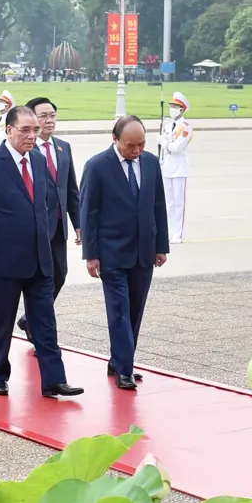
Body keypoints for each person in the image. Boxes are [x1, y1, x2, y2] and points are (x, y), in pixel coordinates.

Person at [0, 104, 82, 400]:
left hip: (40, 259)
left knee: (45, 322)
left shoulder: (41, 162)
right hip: (4, 260)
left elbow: (43, 208)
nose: (33, 135)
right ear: (9, 131)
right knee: (1, 320)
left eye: (35, 130)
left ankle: (54, 380)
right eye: (26, 130)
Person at [80, 116, 169, 390]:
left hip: (143, 251)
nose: (137, 151)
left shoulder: (151, 163)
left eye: (141, 144)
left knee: (134, 310)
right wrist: (91, 254)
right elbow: (88, 212)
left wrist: (161, 246)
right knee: (118, 310)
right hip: (112, 253)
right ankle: (125, 369)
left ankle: (120, 359)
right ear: (115, 139)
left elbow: (158, 205)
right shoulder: (97, 166)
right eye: (131, 145)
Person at [27, 97, 80, 307]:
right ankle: (37, 321)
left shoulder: (63, 147)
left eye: (52, 115)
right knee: (39, 277)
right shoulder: (27, 148)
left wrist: (78, 223)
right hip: (36, 225)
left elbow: (70, 189)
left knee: (60, 273)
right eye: (43, 116)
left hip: (58, 225)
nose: (49, 120)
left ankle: (32, 319)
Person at [159, 90, 193, 243]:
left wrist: (165, 143)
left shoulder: (185, 127)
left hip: (179, 168)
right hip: (167, 166)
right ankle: (171, 232)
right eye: (171, 105)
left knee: (179, 203)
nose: (171, 108)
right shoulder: (167, 126)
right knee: (169, 203)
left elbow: (177, 147)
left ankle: (178, 233)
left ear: (181, 109)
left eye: (175, 106)